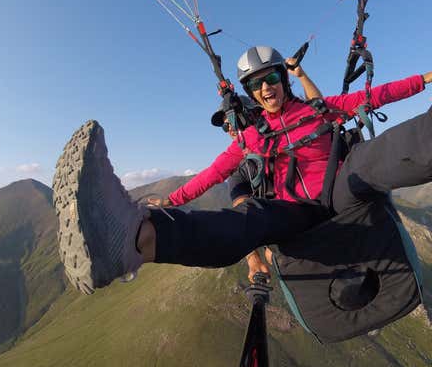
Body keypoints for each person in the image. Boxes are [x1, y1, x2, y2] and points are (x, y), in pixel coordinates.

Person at [53, 45, 432, 296]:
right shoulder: (252, 137)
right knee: (251, 218)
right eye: (255, 84)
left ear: (283, 80)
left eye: (271, 79)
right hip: (295, 213)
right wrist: (171, 200)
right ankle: (138, 240)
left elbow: (377, 95)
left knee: (367, 160)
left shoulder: (318, 109)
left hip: (339, 190)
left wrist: (426, 79)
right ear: (250, 93)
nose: (266, 88)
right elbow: (215, 173)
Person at [209, 62, 323, 282]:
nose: (230, 129)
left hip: (320, 208)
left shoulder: (284, 134)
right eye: (225, 126)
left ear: (254, 115)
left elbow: (317, 111)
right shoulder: (240, 169)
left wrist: (302, 76)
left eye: (233, 120)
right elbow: (243, 210)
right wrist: (253, 260)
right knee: (274, 254)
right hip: (292, 229)